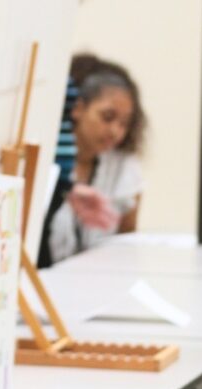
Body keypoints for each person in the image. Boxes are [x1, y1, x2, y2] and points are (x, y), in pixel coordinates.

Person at [38, 53, 146, 267]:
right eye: (107, 117)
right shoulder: (48, 160)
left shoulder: (124, 165)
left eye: (125, 124)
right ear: (77, 109)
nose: (116, 131)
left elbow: (126, 243)